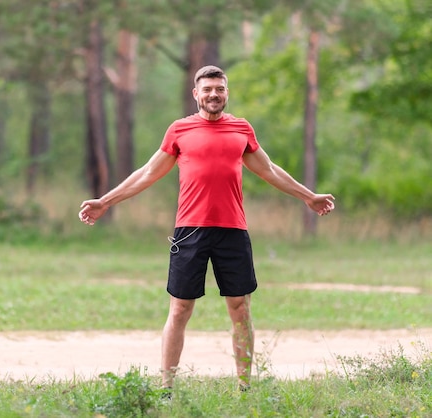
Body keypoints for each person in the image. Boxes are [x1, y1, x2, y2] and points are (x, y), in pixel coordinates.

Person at [78, 65, 335, 391]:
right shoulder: (179, 131)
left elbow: (270, 171)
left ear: (226, 93)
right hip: (190, 232)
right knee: (180, 309)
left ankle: (244, 388)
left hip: (232, 231)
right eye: (208, 89)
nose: (214, 94)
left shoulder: (241, 129)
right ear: (196, 93)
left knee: (240, 309)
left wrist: (308, 197)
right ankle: (166, 388)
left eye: (220, 89)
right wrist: (106, 201)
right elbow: (147, 174)